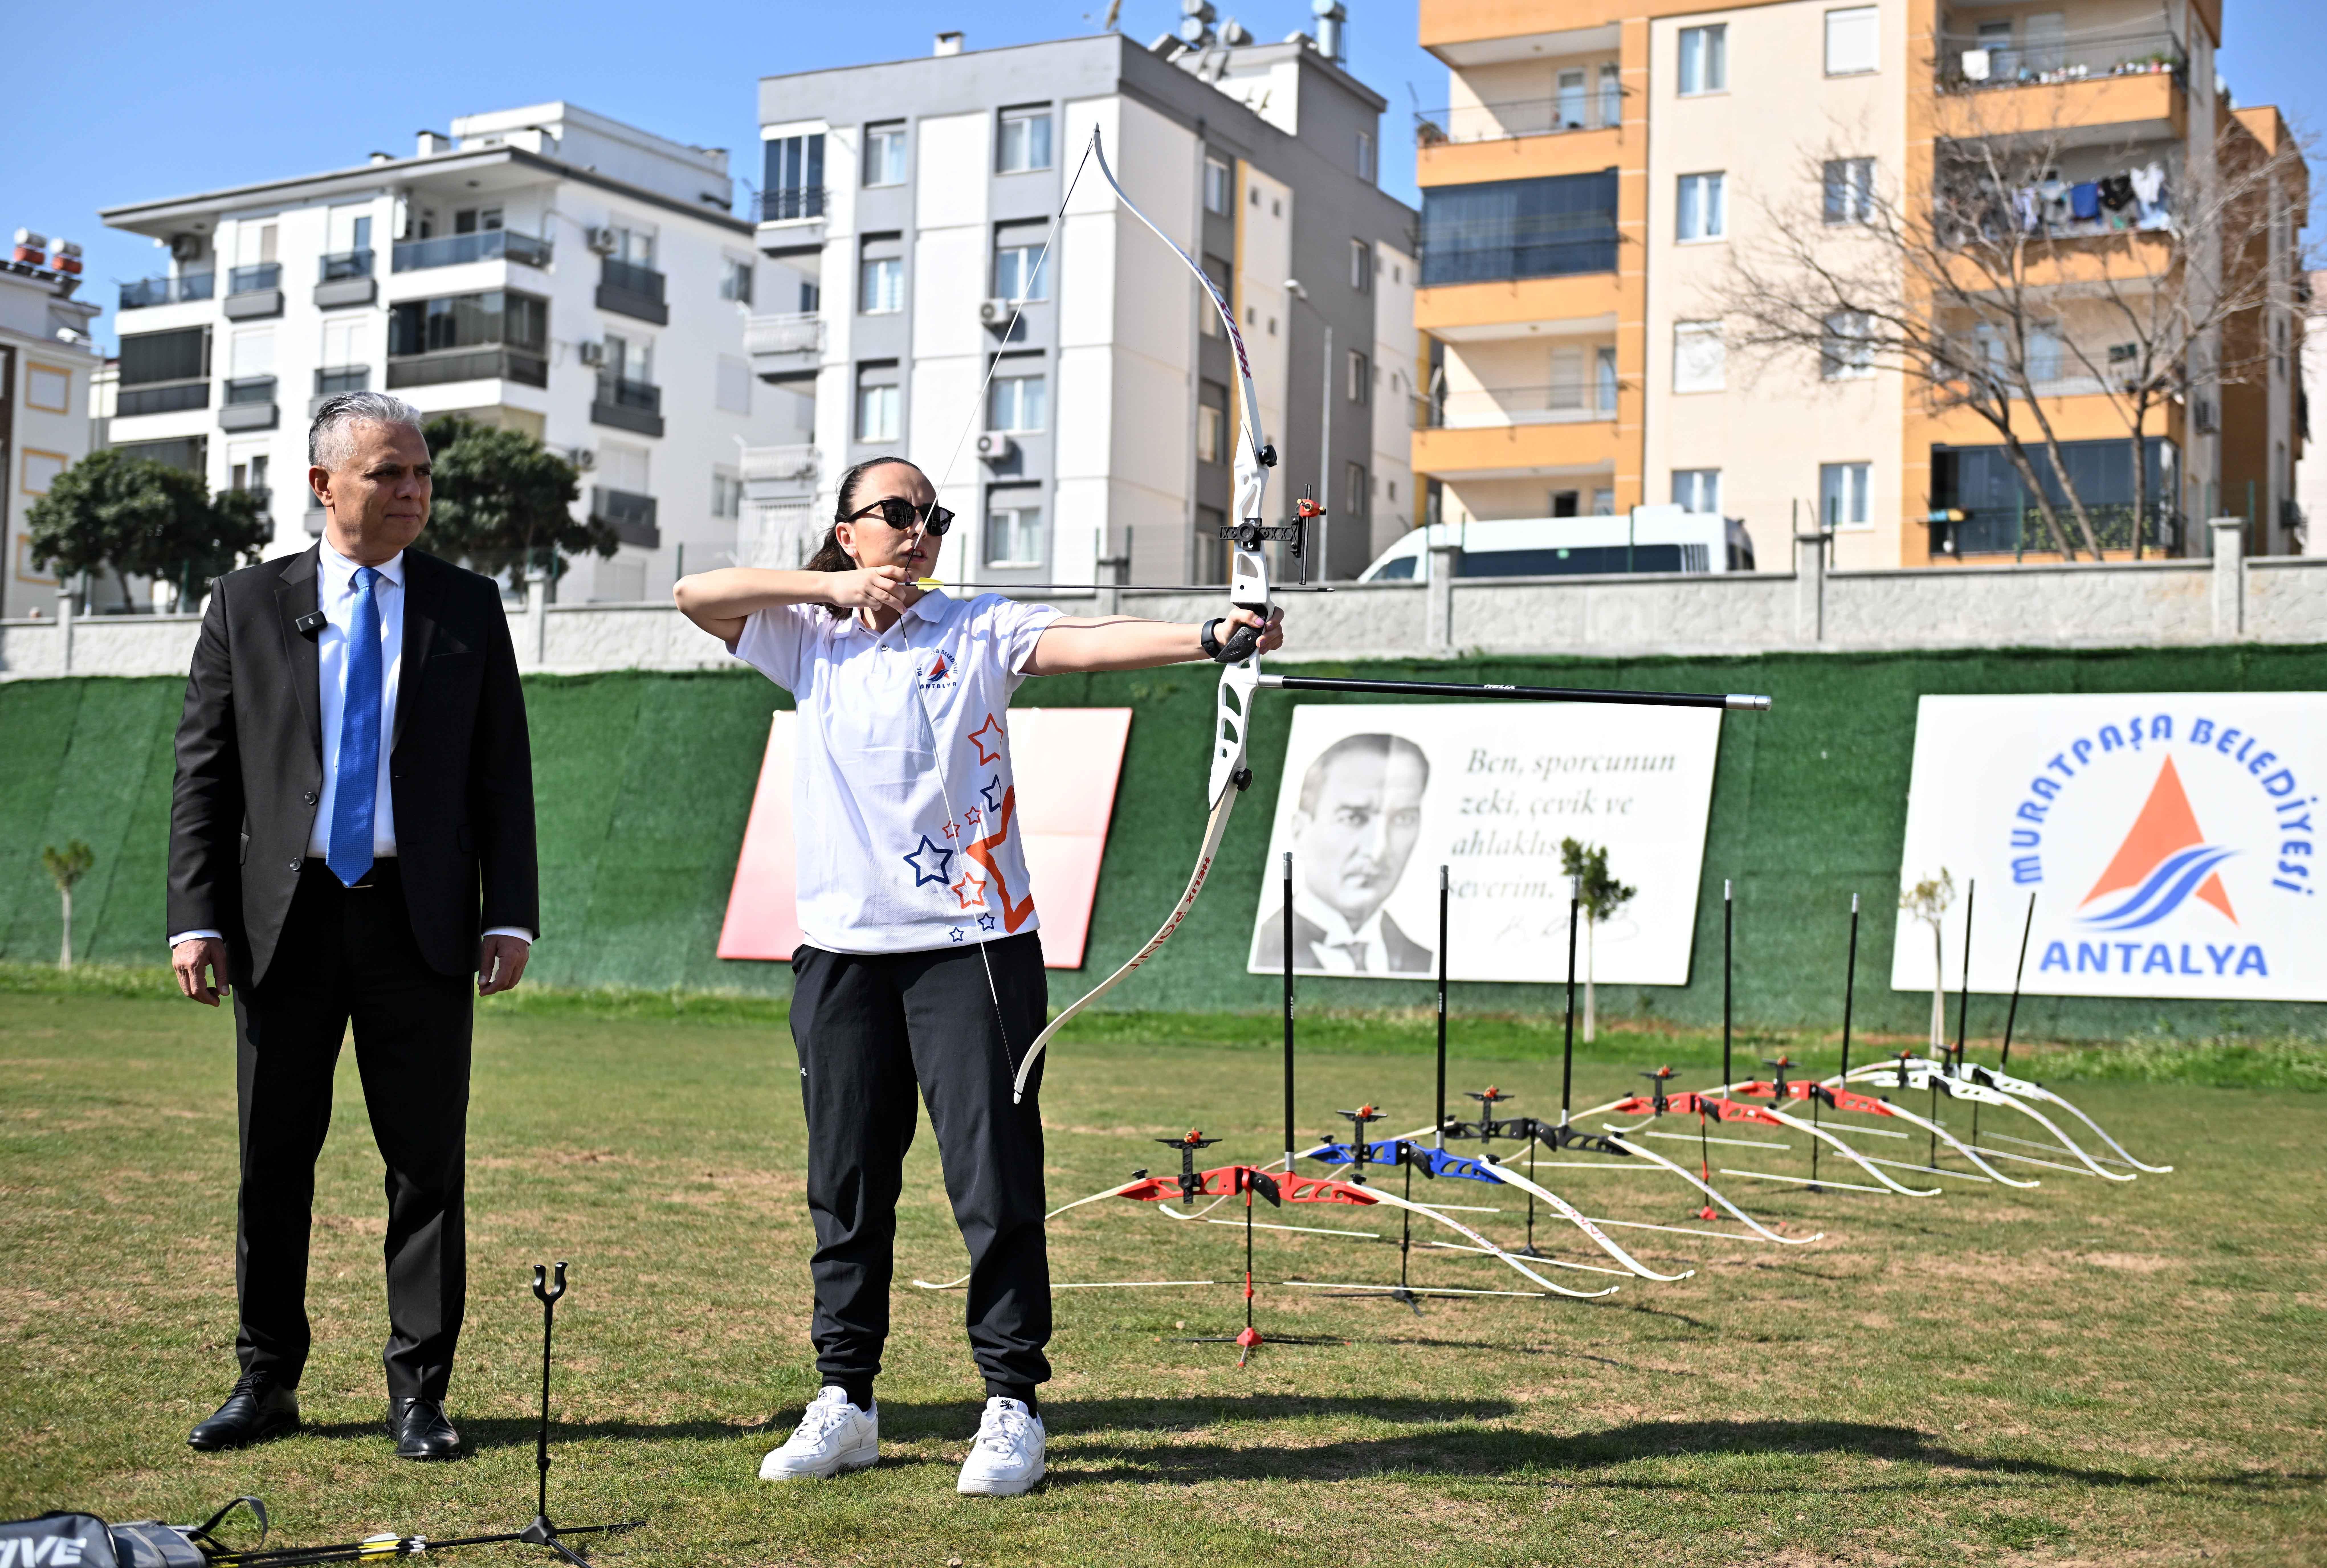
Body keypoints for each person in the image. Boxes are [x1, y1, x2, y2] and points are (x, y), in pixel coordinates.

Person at [672, 456, 1281, 1498]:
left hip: (975, 944)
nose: (919, 530)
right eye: (896, 514)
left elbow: (1085, 639)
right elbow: (695, 593)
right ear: (849, 530)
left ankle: (1011, 1402)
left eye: (934, 516)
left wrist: (1208, 634)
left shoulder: (977, 625)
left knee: (993, 1181)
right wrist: (831, 588)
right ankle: (846, 1399)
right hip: (841, 952)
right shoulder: (806, 634)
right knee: (846, 1186)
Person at [167, 392, 538, 1461]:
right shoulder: (245, 601)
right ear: (323, 485)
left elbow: (501, 771)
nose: (413, 491)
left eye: (421, 473)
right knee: (273, 1160)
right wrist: (195, 916)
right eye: (389, 473)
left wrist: (510, 911)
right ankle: (265, 1378)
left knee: (426, 1166)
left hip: (420, 923)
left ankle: (419, 1393)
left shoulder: (467, 605)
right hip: (281, 924)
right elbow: (204, 773)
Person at [1253, 732, 1431, 974]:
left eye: (1403, 819)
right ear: (1300, 832)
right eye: (1353, 818)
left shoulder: (1425, 961)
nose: (1378, 851)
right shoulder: (1264, 948)